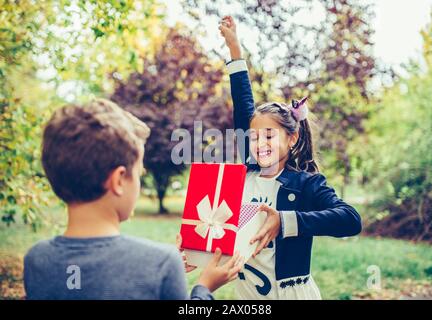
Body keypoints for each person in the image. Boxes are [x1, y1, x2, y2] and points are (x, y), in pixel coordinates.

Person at [23, 98, 242, 300]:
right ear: (119, 180)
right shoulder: (162, 264)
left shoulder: (37, 260)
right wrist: (203, 288)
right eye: (139, 173)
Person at [219, 16, 362, 300]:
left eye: (270, 136)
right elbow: (243, 105)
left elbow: (350, 219)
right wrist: (235, 49)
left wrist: (286, 222)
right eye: (255, 137)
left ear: (291, 138)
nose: (260, 143)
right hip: (247, 296)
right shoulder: (244, 176)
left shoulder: (306, 184)